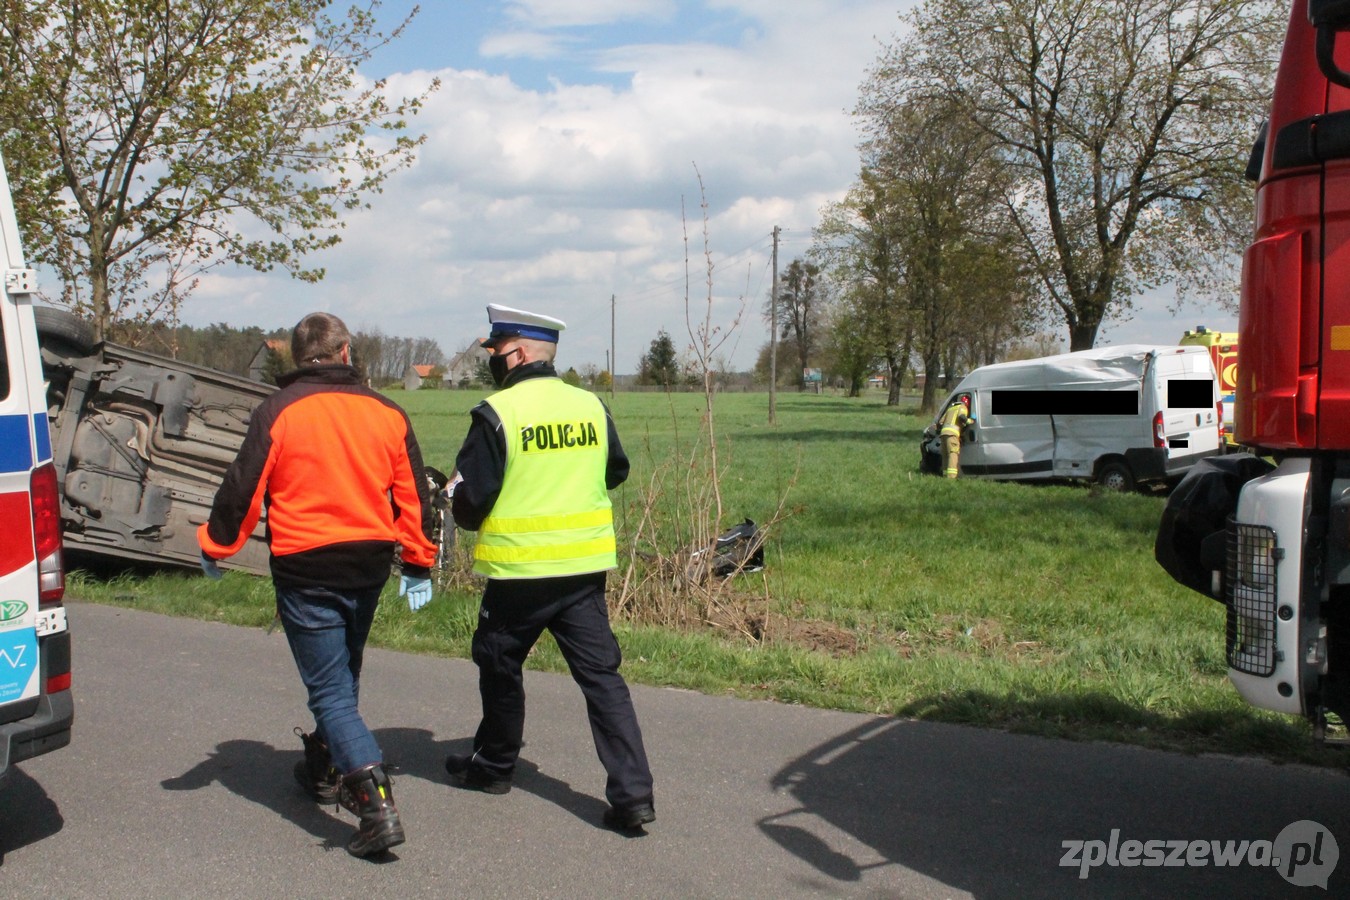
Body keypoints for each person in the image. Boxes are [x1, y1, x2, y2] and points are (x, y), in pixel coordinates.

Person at [197, 311, 437, 859]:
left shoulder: (278, 410)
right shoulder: (387, 412)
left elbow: (242, 490)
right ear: (347, 353)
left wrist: (216, 546)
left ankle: (374, 801)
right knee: (343, 674)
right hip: (369, 564)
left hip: (307, 566)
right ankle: (326, 768)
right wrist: (418, 563)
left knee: (329, 689)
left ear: (297, 359)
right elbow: (413, 498)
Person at [446, 303, 656, 831]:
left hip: (520, 574)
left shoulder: (497, 412)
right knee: (602, 678)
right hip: (584, 569)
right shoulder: (590, 406)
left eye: (495, 351)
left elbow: (471, 506)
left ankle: (493, 765)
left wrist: (454, 497)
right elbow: (616, 471)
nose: (492, 361)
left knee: (498, 663)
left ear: (515, 354)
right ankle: (633, 796)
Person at [939, 393, 975, 479]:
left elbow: (940, 422)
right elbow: (961, 417)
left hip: (943, 434)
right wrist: (970, 421)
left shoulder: (951, 408)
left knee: (945, 455)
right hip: (952, 435)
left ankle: (944, 476)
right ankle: (951, 477)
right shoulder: (962, 407)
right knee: (953, 454)